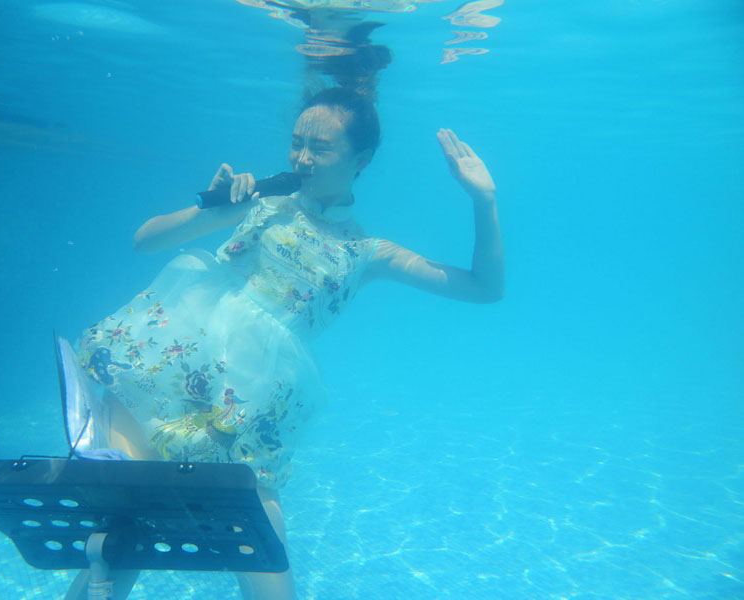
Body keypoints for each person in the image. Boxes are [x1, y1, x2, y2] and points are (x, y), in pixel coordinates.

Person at [66, 86, 503, 600]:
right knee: (118, 543)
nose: (300, 157)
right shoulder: (261, 199)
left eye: (320, 148)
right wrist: (212, 211)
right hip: (165, 367)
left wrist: (484, 200)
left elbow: (485, 289)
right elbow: (146, 240)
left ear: (361, 159)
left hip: (243, 410)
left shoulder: (367, 251)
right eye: (296, 142)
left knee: (268, 574)